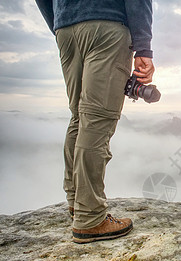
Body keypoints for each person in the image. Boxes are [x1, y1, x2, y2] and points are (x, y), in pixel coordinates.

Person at [35, 0, 155, 243]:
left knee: (79, 116)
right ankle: (90, 218)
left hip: (67, 29)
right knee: (97, 120)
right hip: (106, 25)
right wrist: (144, 48)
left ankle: (76, 202)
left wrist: (60, 24)